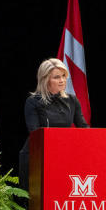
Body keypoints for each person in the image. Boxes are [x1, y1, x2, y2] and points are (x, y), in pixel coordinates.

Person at [18, 58, 89, 188]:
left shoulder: (72, 100)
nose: (62, 80)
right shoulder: (33, 101)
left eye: (63, 76)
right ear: (45, 80)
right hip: (37, 156)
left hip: (63, 154)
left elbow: (83, 127)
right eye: (56, 77)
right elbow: (34, 132)